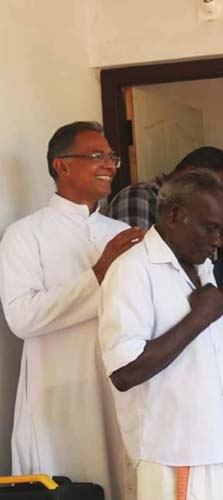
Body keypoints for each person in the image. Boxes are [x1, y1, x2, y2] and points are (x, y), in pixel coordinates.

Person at [97, 170, 223, 500]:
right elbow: (124, 372)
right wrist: (197, 318)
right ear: (174, 216)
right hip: (176, 454)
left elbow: (205, 356)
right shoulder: (132, 270)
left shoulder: (202, 267)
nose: (217, 241)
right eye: (210, 228)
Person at [0, 121, 144, 499]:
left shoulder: (120, 231)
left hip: (116, 388)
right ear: (62, 165)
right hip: (57, 394)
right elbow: (21, 318)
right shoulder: (24, 234)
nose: (110, 165)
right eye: (97, 156)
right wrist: (98, 273)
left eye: (111, 157)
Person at [104, 146, 223, 229]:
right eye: (210, 188)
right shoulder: (139, 197)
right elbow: (133, 258)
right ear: (190, 173)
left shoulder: (192, 209)